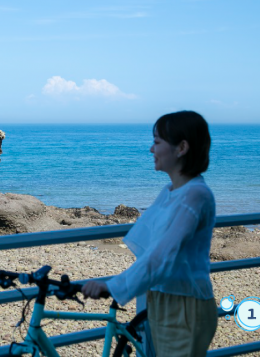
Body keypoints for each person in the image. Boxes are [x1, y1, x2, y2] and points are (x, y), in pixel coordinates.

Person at [82, 111, 218, 357]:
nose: (150, 150)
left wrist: (113, 285)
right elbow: (150, 250)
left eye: (157, 142)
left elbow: (161, 256)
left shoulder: (195, 195)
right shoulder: (170, 191)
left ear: (182, 148)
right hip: (158, 299)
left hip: (185, 306)